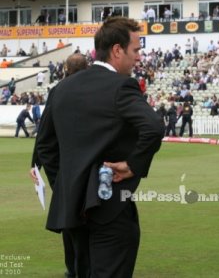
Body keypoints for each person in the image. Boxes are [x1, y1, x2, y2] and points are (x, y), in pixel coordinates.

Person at [36, 17, 164, 277]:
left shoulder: (61, 88)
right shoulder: (121, 86)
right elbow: (153, 126)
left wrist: (67, 184)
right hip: (111, 208)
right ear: (117, 50)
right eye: (136, 50)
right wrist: (132, 165)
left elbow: (45, 146)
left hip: (71, 209)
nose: (139, 57)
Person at [30, 53, 88, 278]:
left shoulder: (58, 90)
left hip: (65, 170)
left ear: (65, 68)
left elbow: (44, 134)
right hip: (80, 168)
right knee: (80, 225)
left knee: (70, 223)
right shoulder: (77, 91)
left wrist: (37, 165)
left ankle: (73, 270)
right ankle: (78, 270)